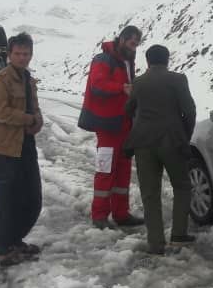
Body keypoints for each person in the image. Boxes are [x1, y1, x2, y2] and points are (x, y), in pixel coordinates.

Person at [123, 44, 197, 255]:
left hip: (143, 143)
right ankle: (178, 235)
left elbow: (128, 109)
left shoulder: (139, 82)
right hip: (172, 141)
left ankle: (155, 243)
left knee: (150, 193)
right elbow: (189, 112)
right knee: (182, 186)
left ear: (148, 61)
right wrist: (185, 135)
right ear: (167, 60)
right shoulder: (178, 79)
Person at [78, 25, 146, 228]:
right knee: (106, 169)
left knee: (123, 170)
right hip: (107, 125)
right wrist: (122, 88)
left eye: (136, 44)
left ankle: (121, 213)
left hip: (124, 124)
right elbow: (97, 85)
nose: (134, 48)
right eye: (132, 43)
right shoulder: (103, 59)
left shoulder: (127, 61)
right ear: (122, 39)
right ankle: (99, 215)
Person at [0, 33, 44, 267]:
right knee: (6, 200)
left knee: (31, 198)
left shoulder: (28, 79)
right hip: (5, 148)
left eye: (26, 54)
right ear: (9, 55)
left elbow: (35, 107)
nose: (22, 58)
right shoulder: (0, 81)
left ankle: (16, 239)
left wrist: (37, 120)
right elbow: (0, 112)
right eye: (18, 53)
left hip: (25, 144)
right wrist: (29, 119)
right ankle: (4, 248)